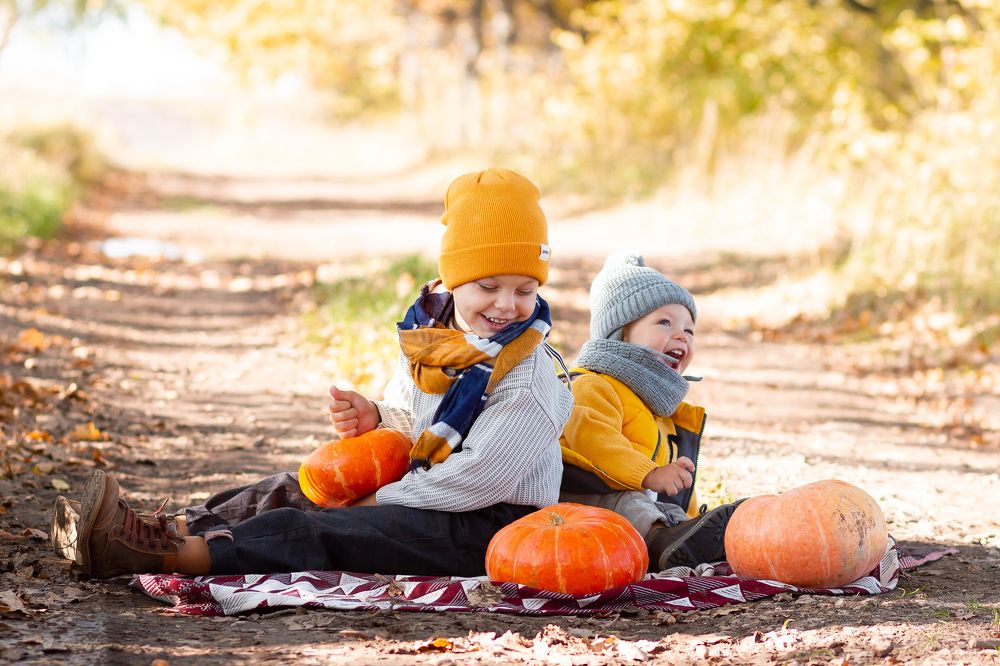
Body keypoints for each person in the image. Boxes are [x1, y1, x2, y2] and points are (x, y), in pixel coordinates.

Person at [54, 167, 573, 578]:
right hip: (427, 487)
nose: (508, 305)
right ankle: (164, 529)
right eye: (489, 286)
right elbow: (419, 422)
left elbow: (480, 477)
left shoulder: (530, 376)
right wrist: (378, 416)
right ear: (454, 280)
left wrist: (376, 500)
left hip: (486, 524)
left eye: (525, 290)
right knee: (296, 488)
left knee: (323, 529)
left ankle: (168, 557)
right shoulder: (432, 339)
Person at [558, 252, 743, 572]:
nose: (681, 335)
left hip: (637, 511)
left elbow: (671, 492)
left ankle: (693, 541)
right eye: (665, 322)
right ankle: (663, 543)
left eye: (689, 330)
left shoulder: (660, 409)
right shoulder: (593, 385)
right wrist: (649, 474)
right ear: (620, 333)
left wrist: (689, 518)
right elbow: (593, 441)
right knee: (630, 502)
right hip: (578, 504)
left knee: (669, 514)